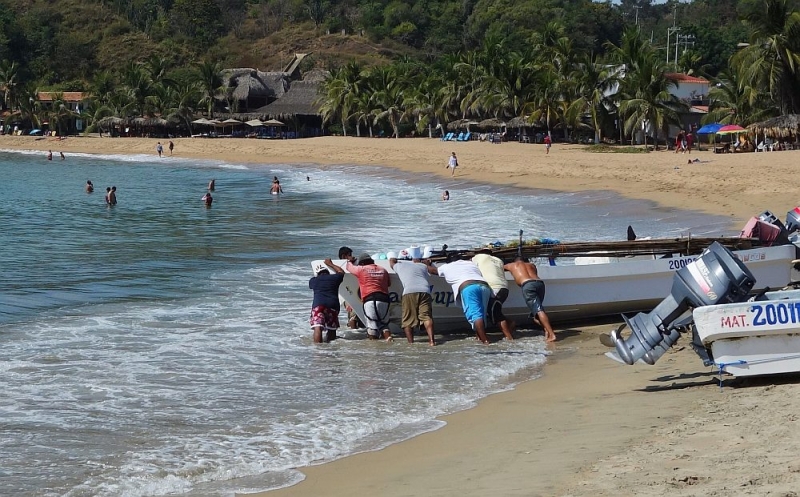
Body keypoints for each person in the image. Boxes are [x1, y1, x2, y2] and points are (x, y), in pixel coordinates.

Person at [427, 258, 493, 344]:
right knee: (481, 313)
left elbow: (433, 271)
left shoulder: (447, 266)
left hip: (469, 287)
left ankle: (485, 341)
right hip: (484, 286)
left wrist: (425, 264)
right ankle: (479, 337)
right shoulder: (471, 264)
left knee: (476, 315)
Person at [390, 247, 436, 346]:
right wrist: (427, 263)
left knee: (407, 320)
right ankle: (432, 341)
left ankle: (411, 343)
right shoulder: (422, 266)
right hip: (425, 290)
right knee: (426, 317)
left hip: (409, 291)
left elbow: (391, 262)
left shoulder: (399, 265)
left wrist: (394, 259)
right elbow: (434, 271)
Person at [504, 257, 557, 342]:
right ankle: (547, 331)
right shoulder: (532, 265)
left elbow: (499, 267)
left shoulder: (512, 265)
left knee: (539, 310)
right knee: (536, 313)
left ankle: (552, 334)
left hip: (527, 285)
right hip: (539, 284)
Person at [345, 252, 393, 341]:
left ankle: (373, 345)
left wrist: (350, 261)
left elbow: (349, 267)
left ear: (362, 263)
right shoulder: (383, 270)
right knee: (384, 324)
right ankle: (388, 338)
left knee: (372, 326)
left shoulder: (362, 269)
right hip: (384, 299)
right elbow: (389, 284)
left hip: (370, 299)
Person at [472, 249, 515, 340]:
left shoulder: (478, 257)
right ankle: (509, 323)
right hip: (504, 288)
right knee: (491, 311)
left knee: (495, 313)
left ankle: (509, 338)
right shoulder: (498, 260)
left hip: (493, 288)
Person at [309, 258, 346, 343]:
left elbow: (311, 285)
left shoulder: (314, 281)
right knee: (331, 328)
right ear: (328, 272)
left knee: (318, 326)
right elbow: (341, 272)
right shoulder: (334, 278)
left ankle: (318, 348)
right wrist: (331, 264)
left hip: (318, 305)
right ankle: (330, 347)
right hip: (333, 305)